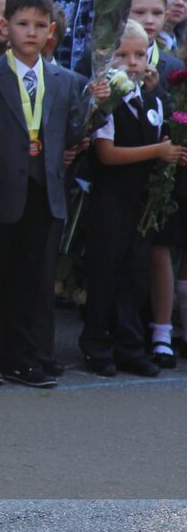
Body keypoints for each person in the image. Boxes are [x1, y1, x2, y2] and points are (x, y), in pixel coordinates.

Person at [0, 0, 85, 387]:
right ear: (6, 25)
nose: (31, 32)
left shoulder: (64, 80)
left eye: (40, 25)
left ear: (51, 31)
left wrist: (96, 106)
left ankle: (29, 354)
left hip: (45, 192)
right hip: (1, 189)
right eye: (23, 24)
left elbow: (73, 133)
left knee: (35, 278)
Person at [81, 20, 185, 377]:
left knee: (135, 273)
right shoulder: (106, 102)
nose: (132, 63)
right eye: (122, 55)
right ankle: (97, 344)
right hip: (111, 198)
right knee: (105, 272)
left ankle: (129, 345)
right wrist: (159, 151)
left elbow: (162, 137)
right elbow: (107, 154)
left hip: (142, 200)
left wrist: (170, 152)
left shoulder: (151, 97)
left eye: (139, 55)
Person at [126, 0, 185, 370]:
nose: (149, 20)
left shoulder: (173, 66)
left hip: (167, 172)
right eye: (139, 12)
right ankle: (127, 327)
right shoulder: (114, 58)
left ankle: (162, 331)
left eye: (156, 12)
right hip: (124, 173)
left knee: (161, 246)